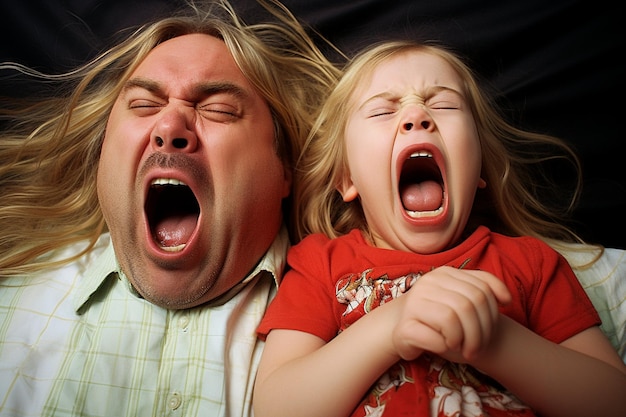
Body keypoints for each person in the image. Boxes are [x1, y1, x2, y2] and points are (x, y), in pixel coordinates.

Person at [0, 0, 340, 415]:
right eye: (144, 105)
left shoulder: (364, 317)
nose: (168, 127)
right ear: (104, 155)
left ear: (284, 168)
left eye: (218, 109)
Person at [253, 40, 626, 417]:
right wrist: (391, 326)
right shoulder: (319, 266)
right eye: (383, 111)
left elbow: (614, 400)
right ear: (347, 178)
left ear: (479, 167)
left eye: (444, 105)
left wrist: (497, 341)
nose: (418, 117)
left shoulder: (531, 263)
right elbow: (276, 407)